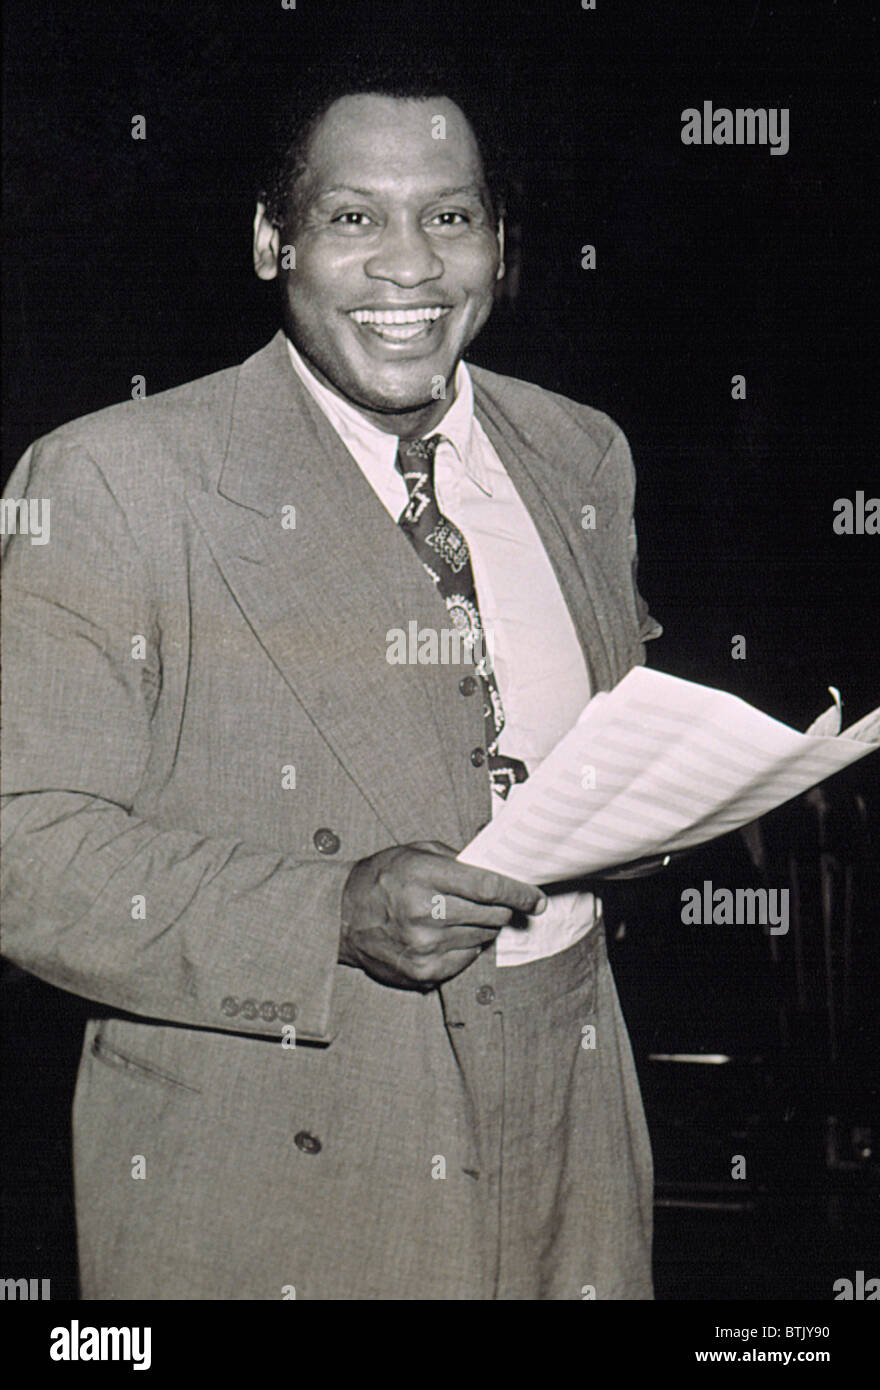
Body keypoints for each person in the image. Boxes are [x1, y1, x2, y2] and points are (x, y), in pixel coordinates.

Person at [1, 62, 660, 1300]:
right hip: (281, 1158)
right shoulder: (110, 481)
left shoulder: (581, 451)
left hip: (577, 1136)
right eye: (354, 218)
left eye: (450, 217)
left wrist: (653, 819)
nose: (409, 266)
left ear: (499, 245)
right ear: (272, 241)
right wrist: (330, 915)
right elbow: (18, 849)